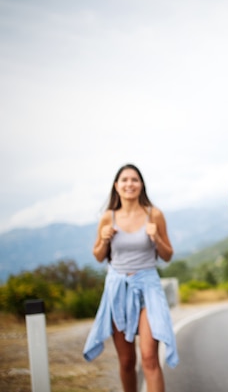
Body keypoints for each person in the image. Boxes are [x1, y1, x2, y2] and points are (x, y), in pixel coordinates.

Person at [83, 164, 178, 392]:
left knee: (149, 358)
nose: (129, 184)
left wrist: (156, 237)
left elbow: (167, 255)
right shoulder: (108, 217)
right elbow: (98, 256)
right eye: (124, 180)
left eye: (134, 180)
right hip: (118, 288)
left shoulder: (153, 214)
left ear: (141, 184)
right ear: (116, 186)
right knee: (126, 362)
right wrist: (104, 240)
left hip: (148, 287)